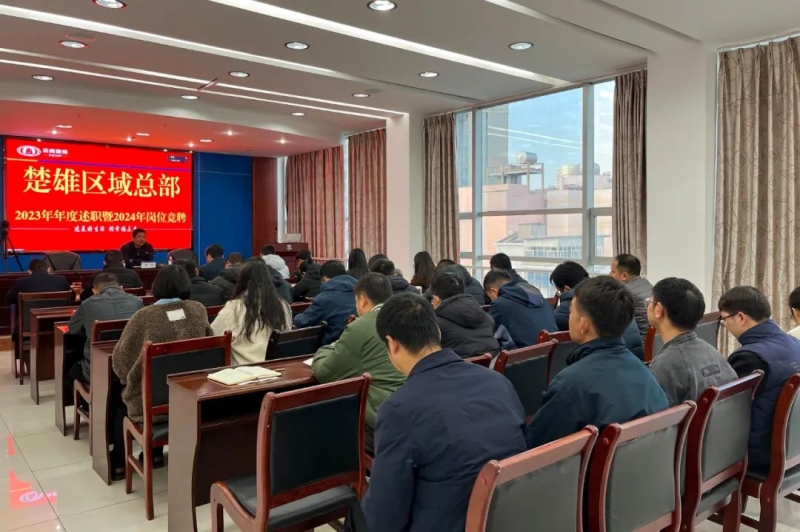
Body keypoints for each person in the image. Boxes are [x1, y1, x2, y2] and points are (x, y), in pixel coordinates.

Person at [359, 293, 526, 532]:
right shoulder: (498, 382)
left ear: (392, 344)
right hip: (507, 518)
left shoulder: (399, 409)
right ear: (437, 333)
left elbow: (384, 519)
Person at [525, 276, 669, 448]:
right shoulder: (646, 375)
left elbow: (536, 447)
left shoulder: (570, 385)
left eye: (571, 312)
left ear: (584, 324)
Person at [110, 265, 213, 478]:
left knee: (122, 398)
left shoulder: (143, 316)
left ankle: (120, 464)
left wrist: (127, 379)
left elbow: (121, 362)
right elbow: (210, 348)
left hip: (152, 405)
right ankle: (154, 454)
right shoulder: (198, 310)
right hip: (192, 397)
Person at [311, 273, 404, 452]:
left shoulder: (362, 327)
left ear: (362, 300)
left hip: (379, 422)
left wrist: (324, 350)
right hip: (411, 413)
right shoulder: (406, 316)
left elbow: (325, 373)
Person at [719, 286, 800, 471]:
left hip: (760, 455)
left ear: (741, 317)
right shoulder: (796, 344)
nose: (726, 326)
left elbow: (727, 415)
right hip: (793, 447)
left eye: (724, 320)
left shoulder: (749, 358)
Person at [648, 278, 737, 406]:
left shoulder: (665, 365)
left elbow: (655, 415)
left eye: (649, 302)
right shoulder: (712, 352)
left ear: (658, 310)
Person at [66, 273, 143, 394]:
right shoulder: (137, 302)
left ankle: (87, 402)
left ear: (94, 291)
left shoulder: (87, 304)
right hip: (130, 367)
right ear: (121, 288)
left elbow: (72, 329)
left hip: (97, 368)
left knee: (71, 368)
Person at [551, 261, 644, 358]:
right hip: (633, 356)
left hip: (611, 359)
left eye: (558, 292)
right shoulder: (608, 292)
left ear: (566, 289)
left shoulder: (578, 301)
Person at [212, 259, 292, 365]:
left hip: (244, 370)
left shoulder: (233, 308)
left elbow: (213, 336)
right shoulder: (283, 305)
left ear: (242, 281)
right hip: (277, 368)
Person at [431, 271, 499, 358]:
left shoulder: (435, 326)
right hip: (492, 363)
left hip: (458, 365)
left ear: (436, 299)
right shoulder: (486, 317)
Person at [483, 269, 557, 348]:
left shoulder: (499, 304)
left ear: (493, 291)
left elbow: (489, 336)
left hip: (526, 354)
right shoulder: (541, 299)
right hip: (554, 350)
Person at [294, 261, 357, 345]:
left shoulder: (324, 298)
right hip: (357, 342)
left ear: (324, 278)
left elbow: (303, 323)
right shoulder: (360, 292)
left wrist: (296, 317)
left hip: (332, 346)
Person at [610, 253, 654, 341]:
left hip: (639, 343)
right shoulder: (647, 284)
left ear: (624, 276)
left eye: (612, 271)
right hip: (654, 342)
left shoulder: (623, 293)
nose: (609, 274)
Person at [5, 258, 72, 307]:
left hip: (29, 321)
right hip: (57, 320)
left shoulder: (20, 282)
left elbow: (8, 300)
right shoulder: (61, 280)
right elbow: (72, 296)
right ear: (49, 270)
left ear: (29, 272)